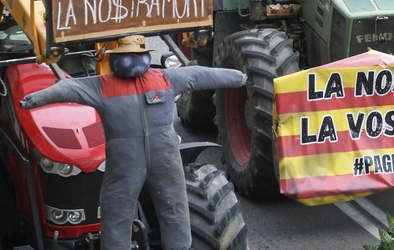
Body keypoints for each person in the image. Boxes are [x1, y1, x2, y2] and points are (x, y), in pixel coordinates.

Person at [20, 35, 246, 250]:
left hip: (137, 161)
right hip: (150, 159)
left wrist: (236, 77)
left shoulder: (114, 84)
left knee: (149, 209)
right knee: (155, 208)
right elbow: (198, 75)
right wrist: (36, 98)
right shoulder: (153, 80)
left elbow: (200, 75)